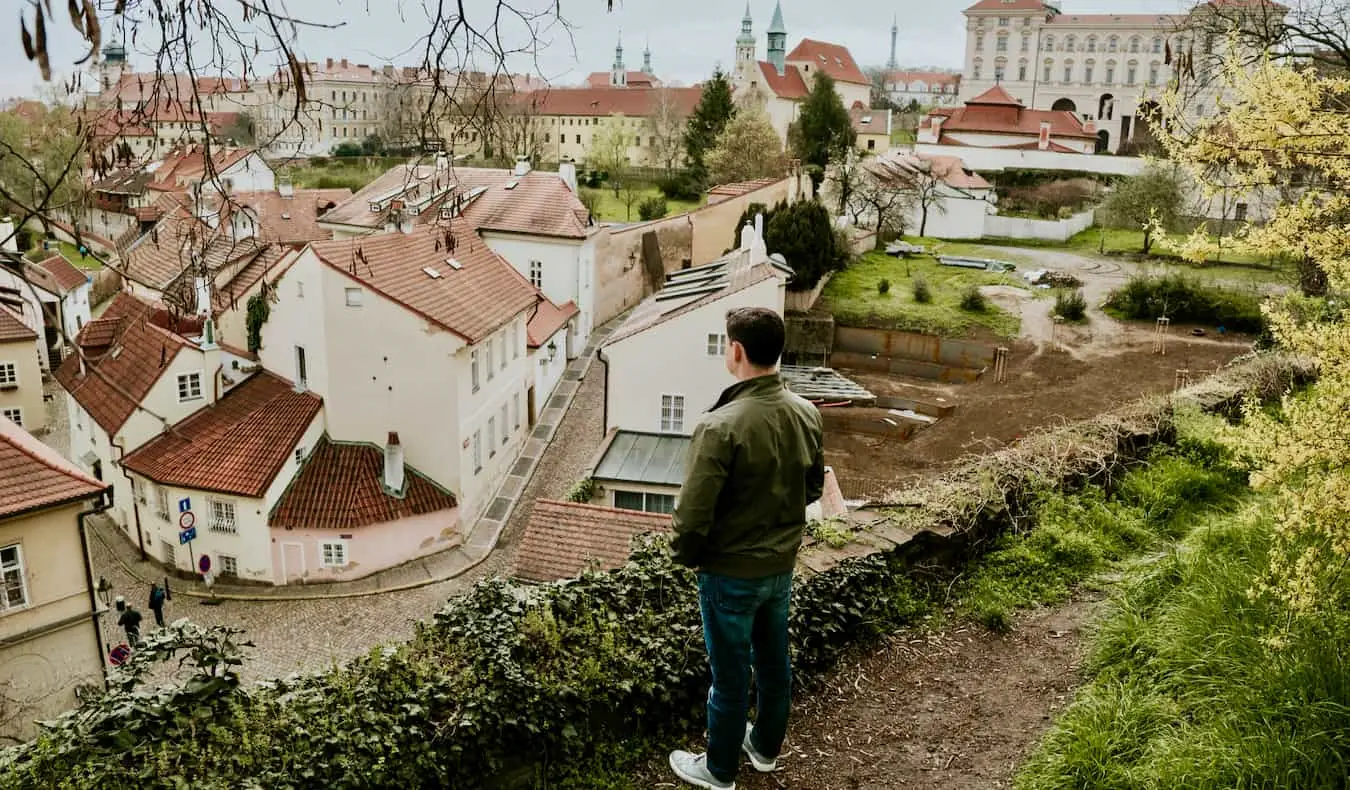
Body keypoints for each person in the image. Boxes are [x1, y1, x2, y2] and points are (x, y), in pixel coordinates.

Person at [668, 307, 825, 790]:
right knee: (774, 664)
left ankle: (718, 771)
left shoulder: (720, 426)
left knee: (731, 676)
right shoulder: (807, 412)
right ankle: (764, 748)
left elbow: (692, 517)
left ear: (735, 351)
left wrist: (686, 557)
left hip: (729, 572)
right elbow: (813, 489)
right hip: (780, 568)